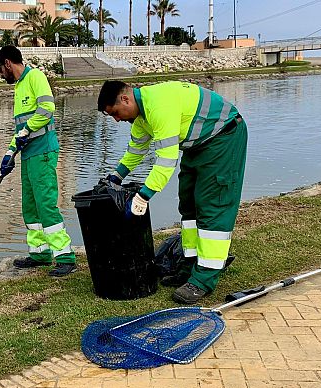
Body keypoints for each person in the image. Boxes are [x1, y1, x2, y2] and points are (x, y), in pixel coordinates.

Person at [97, 81, 247, 304]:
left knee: (212, 206)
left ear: (125, 99)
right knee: (188, 204)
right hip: (196, 146)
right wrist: (115, 177)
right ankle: (189, 267)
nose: (117, 120)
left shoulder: (159, 107)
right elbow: (136, 151)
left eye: (115, 113)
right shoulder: (141, 117)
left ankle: (204, 279)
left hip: (222, 138)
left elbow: (166, 161)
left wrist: (143, 196)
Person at [0, 45, 76, 277]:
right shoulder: (19, 87)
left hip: (43, 151)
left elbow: (47, 109)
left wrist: (26, 131)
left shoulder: (35, 77)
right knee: (29, 206)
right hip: (29, 155)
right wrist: (9, 155)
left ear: (8, 63)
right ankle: (39, 253)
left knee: (46, 204)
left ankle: (65, 256)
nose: (0, 75)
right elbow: (20, 129)